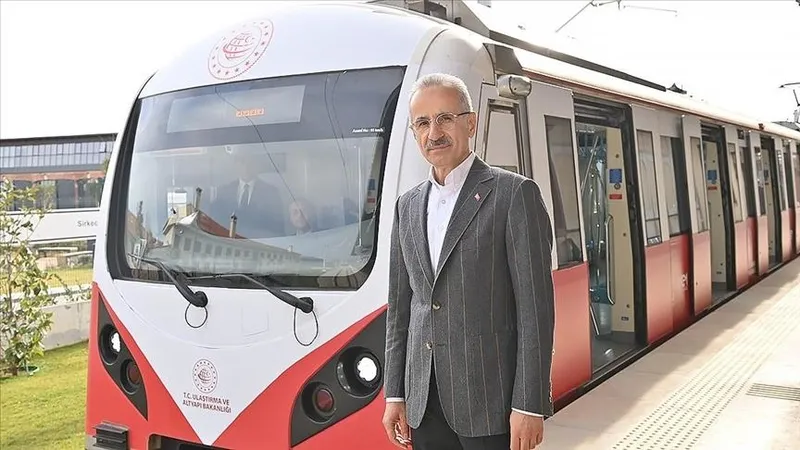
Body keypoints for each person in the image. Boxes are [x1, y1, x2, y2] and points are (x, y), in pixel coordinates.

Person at [382, 73, 556, 450]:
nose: (434, 133)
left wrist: (529, 403)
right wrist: (395, 393)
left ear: (471, 123)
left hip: (491, 402)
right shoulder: (406, 206)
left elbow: (535, 310)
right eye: (422, 123)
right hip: (424, 403)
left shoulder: (514, 195)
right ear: (414, 133)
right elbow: (401, 309)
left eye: (445, 118)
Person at [208, 150, 285, 238]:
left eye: (250, 162)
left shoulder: (271, 193)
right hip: (227, 243)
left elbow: (277, 230)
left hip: (258, 244)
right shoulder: (224, 191)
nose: (246, 167)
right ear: (236, 164)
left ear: (257, 165)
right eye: (242, 161)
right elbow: (215, 222)